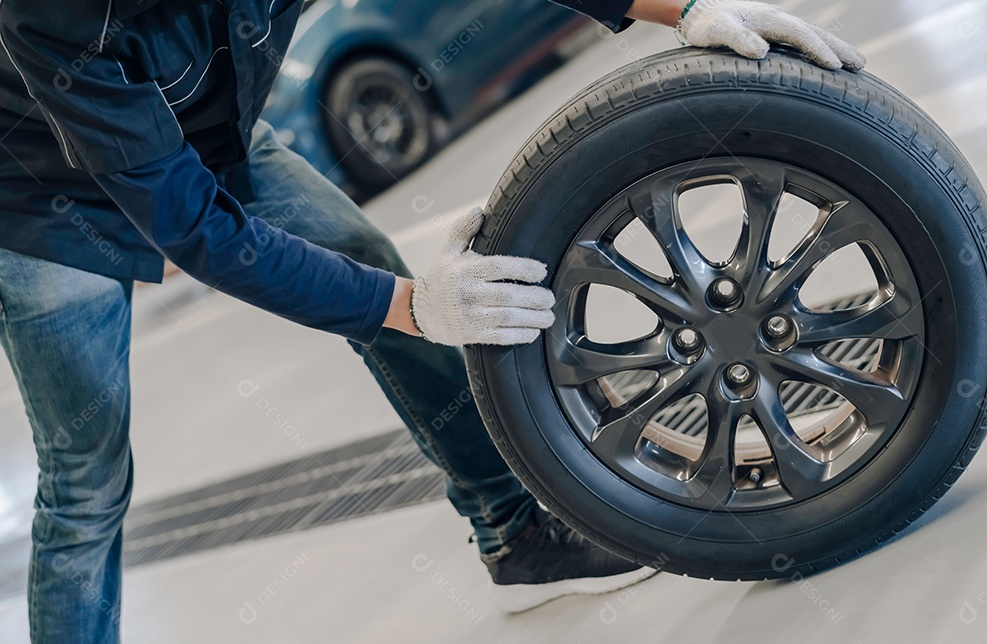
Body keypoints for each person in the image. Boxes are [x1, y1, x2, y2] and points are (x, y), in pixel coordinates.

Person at [0, 0, 864, 640]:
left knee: (362, 263)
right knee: (88, 477)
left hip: (210, 134)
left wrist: (679, 8)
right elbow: (194, 228)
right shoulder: (55, 13)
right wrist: (420, 307)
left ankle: (516, 537)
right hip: (41, 201)